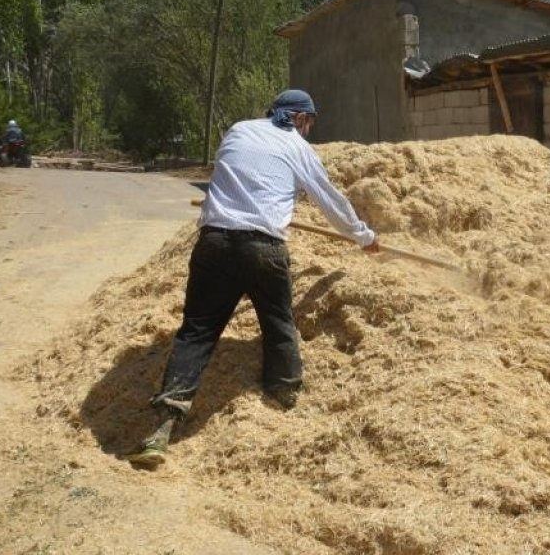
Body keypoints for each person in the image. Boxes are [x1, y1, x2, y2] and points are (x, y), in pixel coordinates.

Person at [129, 89, 380, 467]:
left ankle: (163, 427)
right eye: (309, 123)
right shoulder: (299, 147)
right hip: (264, 247)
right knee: (278, 322)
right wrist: (364, 236)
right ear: (299, 119)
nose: (308, 130)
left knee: (196, 331)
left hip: (213, 241)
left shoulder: (238, 130)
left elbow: (240, 176)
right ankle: (284, 396)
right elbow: (330, 201)